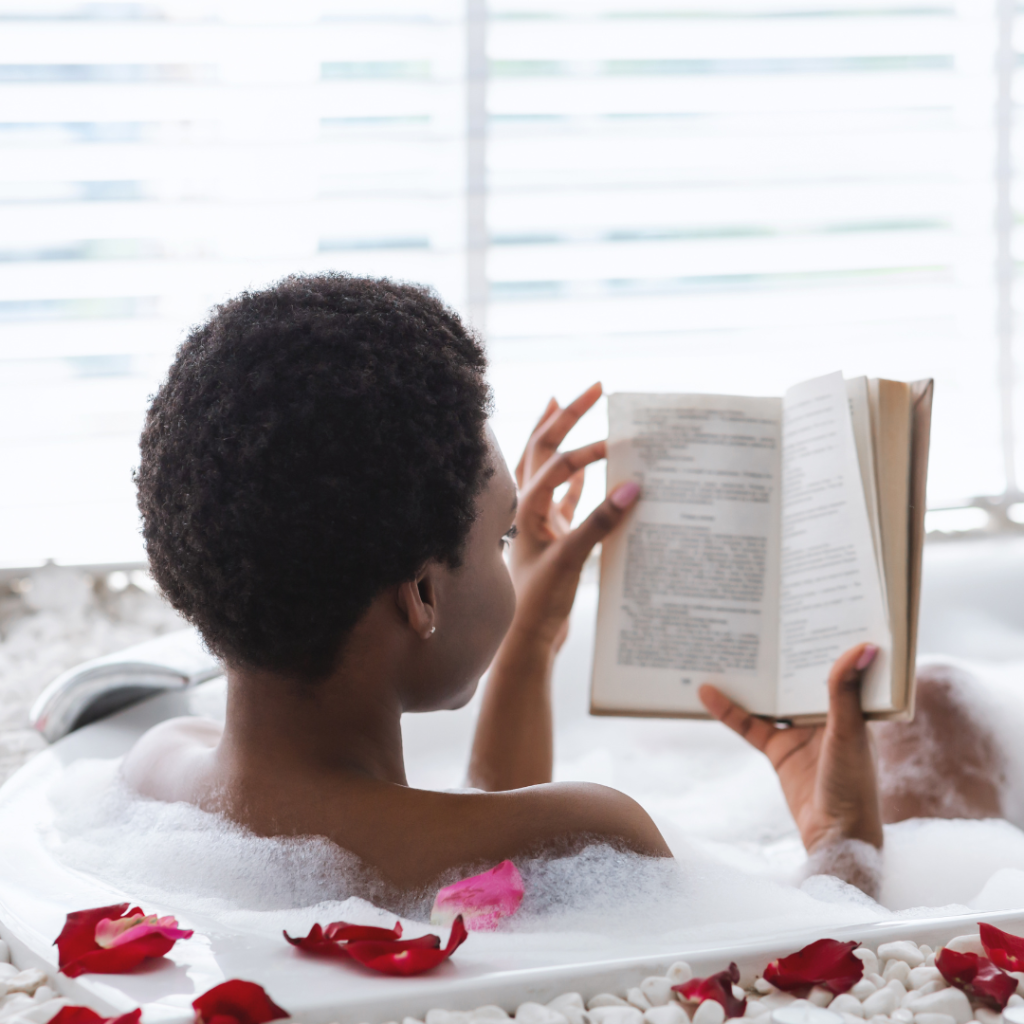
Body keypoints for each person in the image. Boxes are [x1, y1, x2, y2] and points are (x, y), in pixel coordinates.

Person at [122, 273, 885, 904]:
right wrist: (842, 841)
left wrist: (530, 640)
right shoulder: (592, 838)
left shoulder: (159, 769)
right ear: (422, 594)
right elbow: (798, 977)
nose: (510, 559)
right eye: (501, 538)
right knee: (937, 709)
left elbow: (460, 831)